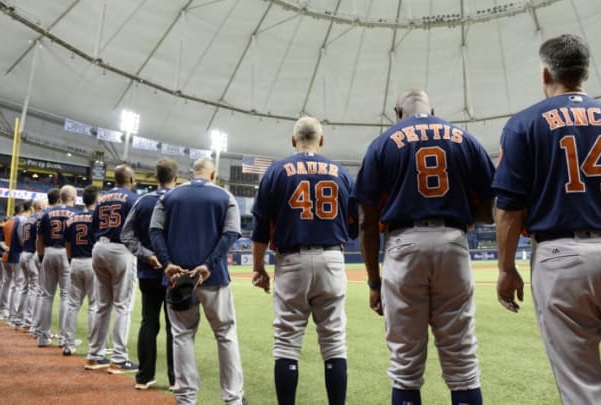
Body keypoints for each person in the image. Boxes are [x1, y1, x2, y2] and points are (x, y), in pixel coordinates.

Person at [492, 34, 601, 404]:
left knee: (581, 389)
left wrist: (506, 268)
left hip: (560, 256)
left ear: (545, 73)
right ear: (586, 72)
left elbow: (509, 208)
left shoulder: (525, 124)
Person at [352, 90, 495, 405]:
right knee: (463, 363)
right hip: (452, 241)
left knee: (405, 364)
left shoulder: (383, 143)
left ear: (398, 112)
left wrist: (374, 282)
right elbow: (490, 207)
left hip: (404, 245)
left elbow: (366, 222)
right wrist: (461, 213)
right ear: (433, 109)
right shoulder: (464, 138)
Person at [251, 116, 356, 405]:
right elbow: (354, 224)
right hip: (331, 256)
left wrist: (258, 267)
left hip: (292, 260)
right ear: (321, 140)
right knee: (334, 341)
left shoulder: (275, 171)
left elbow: (260, 227)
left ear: (293, 140)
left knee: (286, 342)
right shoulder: (341, 173)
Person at [150, 159, 247, 405]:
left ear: (190, 173)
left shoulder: (169, 197)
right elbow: (231, 233)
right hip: (213, 278)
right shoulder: (225, 196)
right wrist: (209, 264)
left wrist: (167, 262)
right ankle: (233, 399)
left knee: (182, 335)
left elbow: (155, 231)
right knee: (225, 334)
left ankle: (185, 399)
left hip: (177, 278)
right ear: (212, 173)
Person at [121, 158, 178, 390]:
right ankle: (176, 380)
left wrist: (145, 255)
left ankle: (144, 377)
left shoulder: (143, 201)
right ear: (176, 178)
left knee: (148, 322)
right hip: (174, 272)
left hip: (147, 271)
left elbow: (126, 235)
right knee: (174, 326)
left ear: (156, 178)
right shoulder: (179, 201)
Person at [86, 165, 139, 373]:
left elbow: (92, 227)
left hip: (99, 247)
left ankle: (94, 355)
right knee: (122, 306)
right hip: (120, 249)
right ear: (132, 178)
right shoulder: (133, 198)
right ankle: (118, 358)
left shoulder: (103, 199)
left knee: (102, 305)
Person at [36, 185, 76, 347]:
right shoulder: (75, 213)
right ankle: (63, 338)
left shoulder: (47, 213)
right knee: (66, 296)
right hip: (66, 254)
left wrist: (41, 256)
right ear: (73, 197)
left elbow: (39, 238)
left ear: (60, 197)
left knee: (47, 296)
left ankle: (43, 337)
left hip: (49, 251)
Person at [63, 185, 100, 356]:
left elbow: (68, 244)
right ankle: (94, 347)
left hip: (75, 261)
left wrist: (71, 261)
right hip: (92, 262)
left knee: (72, 305)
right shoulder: (98, 218)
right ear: (97, 199)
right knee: (94, 306)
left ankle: (68, 344)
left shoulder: (72, 218)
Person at [14, 199, 43, 332]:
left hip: (23, 253)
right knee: (34, 288)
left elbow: (20, 240)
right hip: (32, 254)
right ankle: (28, 321)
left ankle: (18, 319)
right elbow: (39, 239)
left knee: (24, 288)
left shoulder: (26, 220)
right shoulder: (38, 219)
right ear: (40, 207)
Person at [8, 200, 33, 328]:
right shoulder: (24, 220)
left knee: (18, 286)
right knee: (21, 286)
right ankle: (18, 317)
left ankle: (15, 316)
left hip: (18, 254)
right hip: (22, 254)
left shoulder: (18, 221)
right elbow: (22, 240)